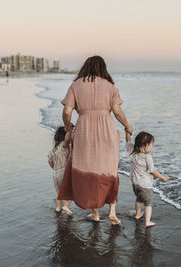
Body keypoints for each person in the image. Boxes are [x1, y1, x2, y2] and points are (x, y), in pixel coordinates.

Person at [57, 55, 133, 225]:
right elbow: (117, 111)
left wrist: (67, 125)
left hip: (84, 131)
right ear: (103, 68)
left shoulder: (76, 85)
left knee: (90, 170)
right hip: (106, 131)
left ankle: (96, 213)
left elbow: (67, 111)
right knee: (108, 170)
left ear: (85, 67)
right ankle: (112, 211)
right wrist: (128, 126)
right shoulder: (110, 86)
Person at [126, 131, 170, 227]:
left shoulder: (132, 153)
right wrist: (162, 177)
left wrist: (127, 132)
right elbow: (152, 171)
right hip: (145, 185)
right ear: (143, 146)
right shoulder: (147, 157)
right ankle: (147, 221)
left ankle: (138, 214)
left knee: (139, 198)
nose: (152, 147)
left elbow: (128, 142)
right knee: (148, 203)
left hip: (135, 183)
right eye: (150, 145)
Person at [48, 126, 73, 215]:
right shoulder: (64, 146)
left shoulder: (53, 149)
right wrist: (69, 130)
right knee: (72, 191)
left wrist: (55, 168)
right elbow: (67, 140)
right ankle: (65, 206)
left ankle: (58, 208)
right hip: (64, 173)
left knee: (59, 192)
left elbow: (50, 162)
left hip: (56, 173)